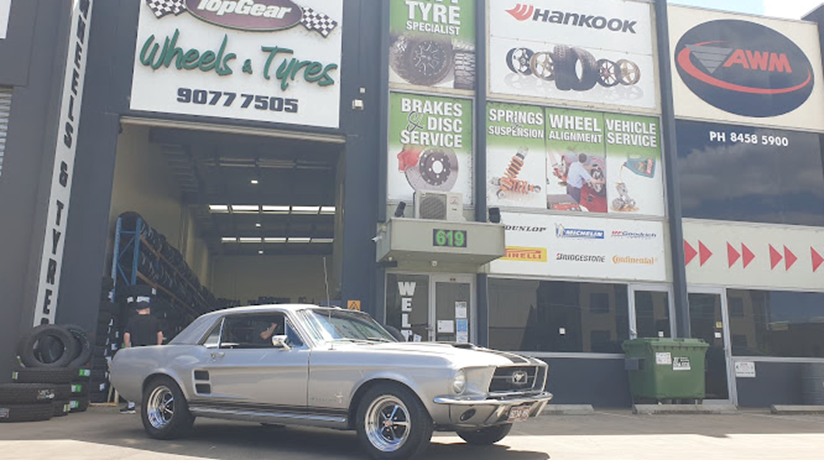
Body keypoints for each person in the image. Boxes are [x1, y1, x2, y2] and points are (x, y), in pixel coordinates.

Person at [120, 301, 163, 414]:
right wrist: (158, 347)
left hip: (136, 352)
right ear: (148, 309)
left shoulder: (132, 320)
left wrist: (128, 348)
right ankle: (153, 405)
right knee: (152, 377)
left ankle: (131, 405)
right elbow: (159, 334)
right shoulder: (154, 320)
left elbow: (127, 335)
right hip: (151, 352)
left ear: (137, 310)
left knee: (133, 376)